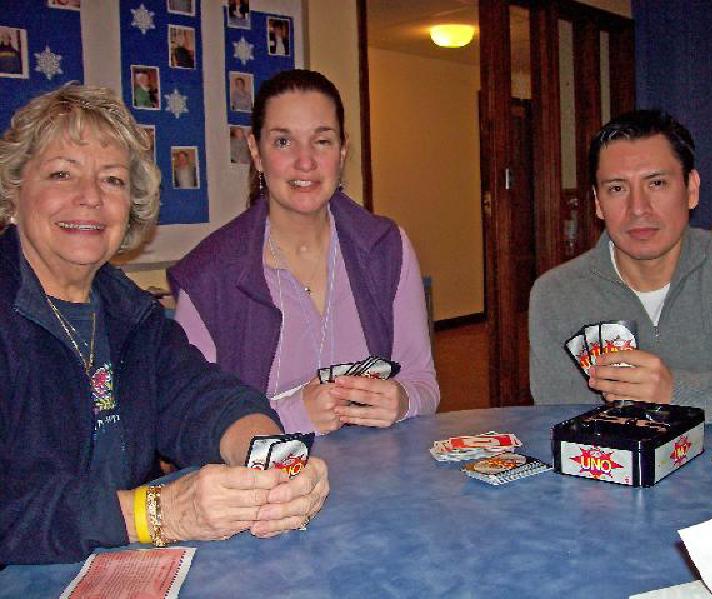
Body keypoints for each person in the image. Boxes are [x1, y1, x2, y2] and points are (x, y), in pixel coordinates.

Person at [0, 84, 329, 565]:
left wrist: (273, 458)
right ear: (14, 190)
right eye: (61, 173)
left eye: (111, 180)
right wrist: (151, 514)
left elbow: (200, 395)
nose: (89, 197)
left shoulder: (128, 310)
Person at [169, 69, 439, 435]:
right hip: (266, 488)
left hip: (383, 479)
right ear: (256, 152)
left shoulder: (387, 248)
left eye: (321, 141)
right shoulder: (209, 275)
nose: (305, 161)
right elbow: (190, 420)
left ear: (342, 150)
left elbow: (424, 382)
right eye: (283, 142)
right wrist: (292, 416)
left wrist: (403, 399)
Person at [528, 109, 712, 423]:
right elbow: (563, 423)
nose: (638, 209)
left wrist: (678, 393)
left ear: (691, 189)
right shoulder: (556, 295)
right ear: (598, 203)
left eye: (656, 183)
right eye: (617, 188)